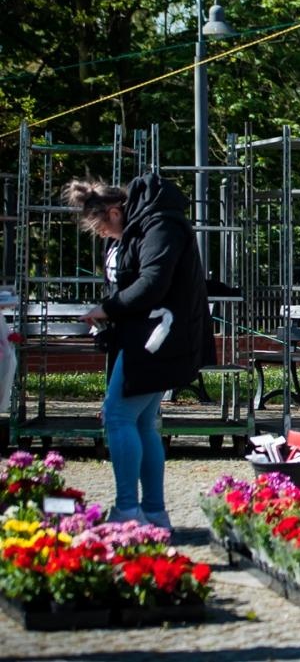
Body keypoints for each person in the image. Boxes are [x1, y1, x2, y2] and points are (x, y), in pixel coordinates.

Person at [65, 175, 208, 526]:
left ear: (115, 211)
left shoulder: (159, 227)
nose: (98, 232)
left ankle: (128, 510)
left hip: (160, 338)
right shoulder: (131, 233)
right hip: (144, 338)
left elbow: (152, 284)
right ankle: (154, 514)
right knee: (142, 422)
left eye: (99, 223)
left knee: (118, 417)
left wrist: (107, 309)